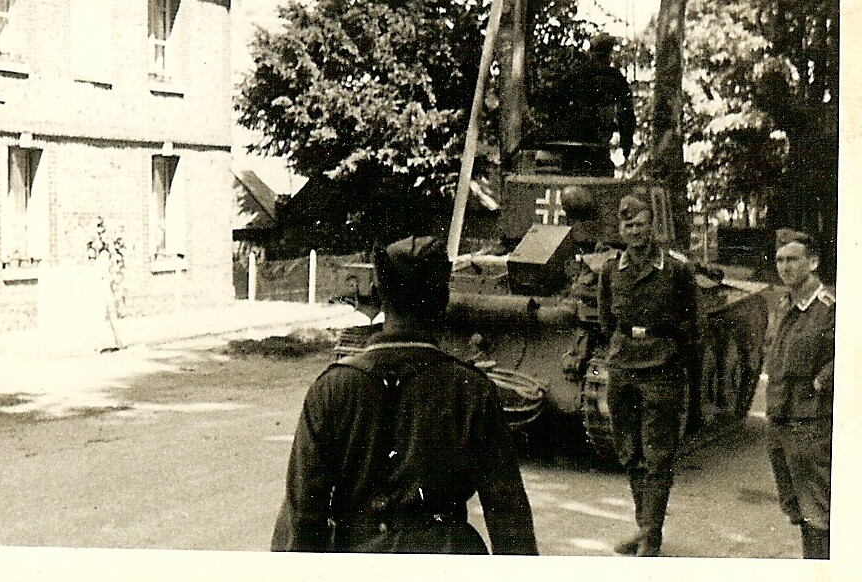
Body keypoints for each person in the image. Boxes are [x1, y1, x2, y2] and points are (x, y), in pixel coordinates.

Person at [271, 235, 538, 554]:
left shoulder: (331, 388)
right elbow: (508, 512)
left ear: (378, 296)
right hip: (447, 558)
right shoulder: (472, 389)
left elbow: (303, 513)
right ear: (443, 299)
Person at [597, 194, 698, 556]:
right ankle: (645, 528)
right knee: (629, 451)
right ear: (621, 230)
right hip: (624, 366)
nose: (634, 231)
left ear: (652, 226)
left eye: (640, 224)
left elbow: (692, 323)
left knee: (657, 454)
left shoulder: (676, 269)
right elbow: (607, 320)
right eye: (628, 226)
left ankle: (650, 535)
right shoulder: (611, 269)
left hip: (661, 368)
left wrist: (673, 358)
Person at [764, 228, 834, 559]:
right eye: (779, 260)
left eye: (792, 259)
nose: (784, 266)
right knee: (795, 507)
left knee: (818, 510)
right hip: (780, 418)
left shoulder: (829, 307)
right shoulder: (784, 303)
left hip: (812, 423)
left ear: (813, 262)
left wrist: (824, 380)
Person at [545, 33, 636, 175]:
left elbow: (555, 102)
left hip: (586, 143)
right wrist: (626, 144)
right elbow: (627, 114)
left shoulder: (579, 74)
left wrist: (626, 143)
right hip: (585, 142)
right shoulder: (610, 77)